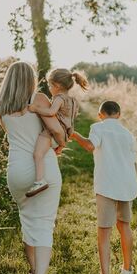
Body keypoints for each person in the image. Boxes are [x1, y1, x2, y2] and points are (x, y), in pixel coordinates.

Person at [0, 61, 66, 274]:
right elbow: (56, 129)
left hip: (16, 171)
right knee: (44, 226)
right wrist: (59, 144)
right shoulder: (39, 99)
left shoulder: (1, 107)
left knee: (28, 222)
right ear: (31, 80)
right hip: (43, 169)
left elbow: (16, 136)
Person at [71, 100, 137, 274]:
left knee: (104, 230)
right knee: (124, 225)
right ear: (118, 114)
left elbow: (91, 146)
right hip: (127, 185)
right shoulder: (128, 134)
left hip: (107, 185)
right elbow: (134, 164)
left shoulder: (98, 128)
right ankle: (127, 270)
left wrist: (75, 135)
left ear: (100, 115)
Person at [25, 68, 88, 197]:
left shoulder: (59, 98)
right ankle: (58, 149)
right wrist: (62, 142)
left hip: (51, 133)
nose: (49, 88)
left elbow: (51, 112)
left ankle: (39, 181)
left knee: (37, 154)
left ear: (57, 86)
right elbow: (71, 119)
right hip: (66, 133)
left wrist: (35, 108)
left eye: (49, 85)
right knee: (47, 154)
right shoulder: (73, 101)